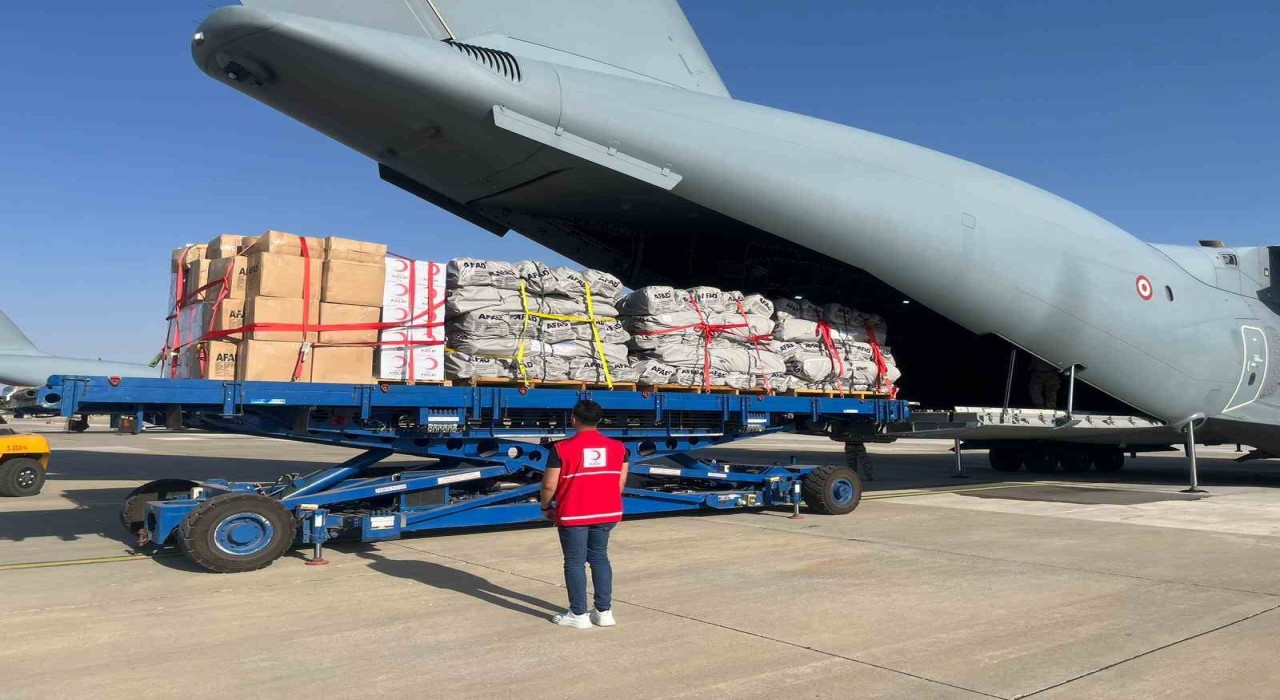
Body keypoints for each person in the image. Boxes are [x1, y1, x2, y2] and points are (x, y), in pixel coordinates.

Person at [540, 399, 628, 629]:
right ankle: (604, 612)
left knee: (575, 562)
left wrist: (546, 507)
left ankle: (578, 614)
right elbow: (620, 483)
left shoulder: (561, 449)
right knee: (599, 558)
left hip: (574, 513)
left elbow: (549, 485)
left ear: (573, 419)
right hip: (607, 511)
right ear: (599, 420)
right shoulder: (619, 448)